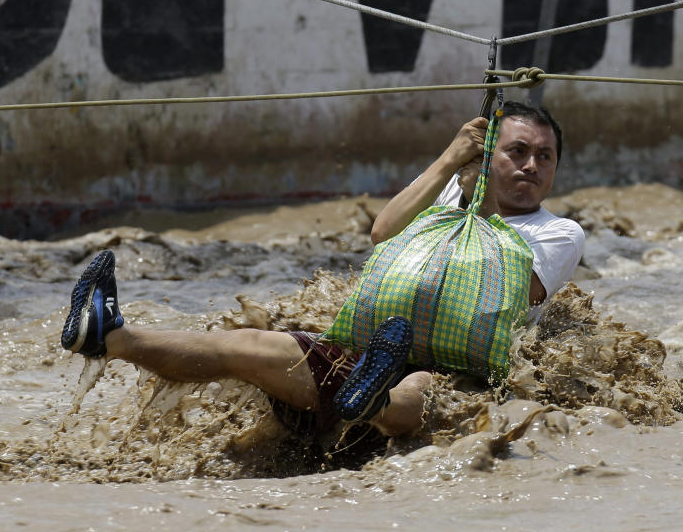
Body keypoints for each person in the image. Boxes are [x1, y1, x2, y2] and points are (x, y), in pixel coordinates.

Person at [59, 101, 585, 441]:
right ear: (492, 154)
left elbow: (514, 286)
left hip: (457, 367)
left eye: (545, 157)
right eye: (516, 151)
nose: (531, 166)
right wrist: (451, 160)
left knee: (425, 385)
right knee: (250, 346)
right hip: (367, 353)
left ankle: (374, 403)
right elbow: (383, 233)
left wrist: (483, 198)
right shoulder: (447, 194)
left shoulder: (560, 233)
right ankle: (111, 335)